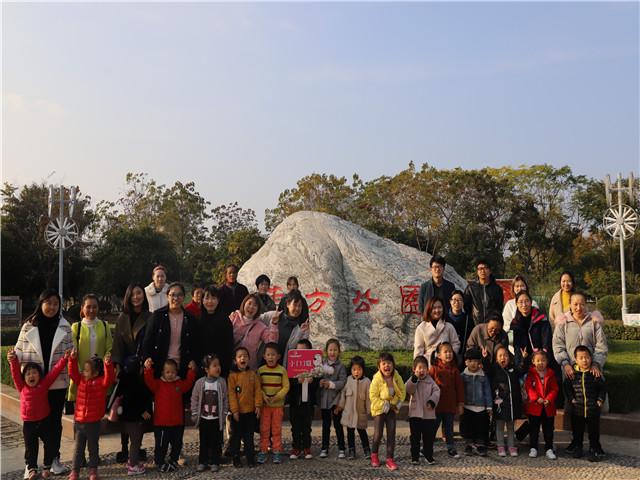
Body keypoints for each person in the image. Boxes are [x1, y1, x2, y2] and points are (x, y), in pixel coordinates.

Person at [14, 289, 74, 476]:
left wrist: (72, 356)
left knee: (54, 424)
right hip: (34, 384)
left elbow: (71, 351)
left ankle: (53, 459)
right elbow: (18, 351)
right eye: (48, 303)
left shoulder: (65, 327)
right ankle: (30, 464)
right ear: (41, 304)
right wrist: (13, 359)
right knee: (30, 428)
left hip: (56, 384)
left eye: (56, 304)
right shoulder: (28, 327)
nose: (52, 307)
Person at [8, 347, 70, 480]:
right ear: (24, 378)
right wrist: (13, 361)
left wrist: (64, 359)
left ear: (40, 375)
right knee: (31, 448)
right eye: (28, 374)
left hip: (44, 421)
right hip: (29, 424)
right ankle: (31, 469)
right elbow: (15, 374)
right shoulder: (21, 387)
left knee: (50, 444)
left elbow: (54, 372)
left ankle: (47, 467)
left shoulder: (44, 384)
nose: (31, 376)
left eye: (34, 373)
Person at [111, 283, 152, 467]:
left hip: (142, 369)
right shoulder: (122, 318)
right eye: (133, 294)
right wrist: (117, 366)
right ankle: (124, 447)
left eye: (139, 293)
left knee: (141, 407)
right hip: (127, 371)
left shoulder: (150, 317)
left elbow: (151, 342)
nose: (136, 297)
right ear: (128, 296)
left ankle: (138, 446)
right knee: (126, 408)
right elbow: (118, 344)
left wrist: (147, 363)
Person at [68, 351, 116, 480]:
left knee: (93, 448)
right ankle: (74, 471)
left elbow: (110, 378)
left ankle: (93, 471)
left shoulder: (101, 383)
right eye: (84, 370)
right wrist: (72, 359)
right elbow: (72, 373)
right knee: (78, 449)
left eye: (87, 371)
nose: (84, 372)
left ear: (95, 373)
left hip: (93, 423)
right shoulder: (81, 380)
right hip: (79, 422)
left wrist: (108, 364)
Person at [143, 357, 197, 472]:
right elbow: (149, 381)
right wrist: (148, 369)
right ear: (163, 372)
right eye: (167, 372)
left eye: (173, 372)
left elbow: (188, 383)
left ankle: (174, 459)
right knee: (161, 445)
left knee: (177, 444)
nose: (170, 374)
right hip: (161, 423)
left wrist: (191, 371)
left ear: (176, 372)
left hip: (177, 422)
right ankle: (159, 461)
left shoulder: (179, 383)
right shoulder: (158, 384)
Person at [142, 282, 198, 380]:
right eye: (172, 295)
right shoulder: (157, 316)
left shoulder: (190, 319)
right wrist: (147, 358)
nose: (176, 298)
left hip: (182, 367)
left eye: (179, 295)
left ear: (184, 297)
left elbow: (196, 343)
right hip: (161, 366)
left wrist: (193, 360)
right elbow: (148, 340)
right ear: (167, 296)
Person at [563, 346, 607, 462]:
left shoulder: (594, 373)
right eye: (581, 358)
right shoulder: (572, 374)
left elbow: (602, 388)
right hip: (577, 408)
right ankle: (578, 447)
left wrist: (600, 400)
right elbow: (567, 388)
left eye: (587, 357)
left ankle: (594, 448)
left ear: (591, 358)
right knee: (577, 430)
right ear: (576, 360)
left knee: (594, 431)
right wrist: (571, 399)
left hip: (593, 408)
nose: (584, 360)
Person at [68, 294, 113, 407]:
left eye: (94, 307)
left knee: (98, 412)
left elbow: (109, 347)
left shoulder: (104, 325)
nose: (91, 310)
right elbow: (73, 352)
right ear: (82, 308)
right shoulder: (76, 327)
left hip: (100, 377)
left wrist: (105, 363)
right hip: (82, 378)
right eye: (88, 307)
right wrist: (81, 372)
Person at [553, 292, 608, 383]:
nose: (578, 308)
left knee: (594, 394)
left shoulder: (593, 322)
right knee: (572, 395)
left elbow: (601, 346)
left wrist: (596, 364)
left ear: (585, 305)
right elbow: (558, 346)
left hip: (592, 370)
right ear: (570, 305)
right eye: (575, 304)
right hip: (570, 370)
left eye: (582, 304)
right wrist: (565, 364)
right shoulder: (563, 323)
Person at [191, 354, 228, 472]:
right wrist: (195, 413)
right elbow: (195, 398)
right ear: (207, 369)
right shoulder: (200, 383)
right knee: (204, 441)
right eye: (214, 366)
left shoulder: (222, 382)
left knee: (216, 441)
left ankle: (215, 461)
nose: (218, 368)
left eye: (219, 365)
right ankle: (203, 461)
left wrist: (225, 412)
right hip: (204, 418)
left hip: (217, 418)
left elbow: (225, 399)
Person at [369, 352, 406, 471]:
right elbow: (373, 396)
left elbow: (402, 391)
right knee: (378, 434)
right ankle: (374, 455)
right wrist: (385, 404)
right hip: (379, 410)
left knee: (391, 434)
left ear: (393, 365)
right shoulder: (376, 379)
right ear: (379, 366)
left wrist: (396, 405)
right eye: (384, 363)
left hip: (392, 409)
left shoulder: (397, 377)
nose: (387, 366)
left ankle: (390, 459)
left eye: (389, 363)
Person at [227, 346, 262, 468]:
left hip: (250, 412)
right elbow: (231, 394)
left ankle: (250, 458)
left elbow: (258, 390)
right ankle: (236, 457)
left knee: (249, 437)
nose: (243, 358)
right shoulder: (232, 377)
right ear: (235, 360)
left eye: (245, 356)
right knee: (236, 437)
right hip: (237, 413)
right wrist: (234, 410)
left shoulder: (253, 375)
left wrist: (258, 405)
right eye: (240, 356)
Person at [429, 342, 464, 458]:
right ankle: (427, 447)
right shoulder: (433, 369)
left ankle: (451, 448)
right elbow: (427, 385)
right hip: (436, 406)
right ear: (438, 355)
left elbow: (459, 388)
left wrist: (460, 404)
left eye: (450, 351)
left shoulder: (455, 370)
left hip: (450, 406)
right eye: (445, 352)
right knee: (432, 428)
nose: (448, 354)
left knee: (449, 429)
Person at [257, 343, 290, 465]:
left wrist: (277, 397)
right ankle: (263, 450)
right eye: (268, 354)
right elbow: (258, 387)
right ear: (264, 356)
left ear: (278, 356)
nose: (271, 357)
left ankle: (276, 450)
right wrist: (263, 396)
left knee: (276, 429)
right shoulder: (261, 371)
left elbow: (286, 386)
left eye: (273, 355)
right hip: (265, 406)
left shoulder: (282, 370)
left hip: (277, 406)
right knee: (264, 429)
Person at [229, 294, 280, 371]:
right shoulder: (234, 318)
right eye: (249, 303)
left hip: (249, 368)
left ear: (258, 309)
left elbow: (272, 342)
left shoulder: (260, 326)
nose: (251, 307)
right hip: (231, 366)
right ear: (244, 304)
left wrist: (274, 324)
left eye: (255, 305)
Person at [491, 346, 526, 457]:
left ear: (509, 357)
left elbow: (522, 370)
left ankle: (511, 446)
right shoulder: (494, 370)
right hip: (500, 404)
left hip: (512, 404)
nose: (503, 358)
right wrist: (484, 358)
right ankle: (500, 446)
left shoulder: (513, 369)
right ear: (496, 359)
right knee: (500, 426)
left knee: (511, 427)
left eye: (505, 355)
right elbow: (487, 369)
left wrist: (524, 359)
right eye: (500, 355)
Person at [405, 355, 440, 465]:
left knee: (428, 438)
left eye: (424, 368)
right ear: (414, 369)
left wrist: (432, 401)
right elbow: (408, 389)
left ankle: (428, 455)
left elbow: (437, 392)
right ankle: (414, 457)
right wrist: (414, 379)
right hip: (415, 414)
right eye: (419, 368)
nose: (422, 370)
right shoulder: (412, 380)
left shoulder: (431, 381)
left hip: (428, 415)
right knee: (415, 437)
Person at [288, 339, 320, 460]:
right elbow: (289, 382)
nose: (301, 353)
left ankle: (306, 447)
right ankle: (296, 447)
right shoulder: (292, 364)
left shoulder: (315, 366)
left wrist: (313, 381)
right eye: (298, 350)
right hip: (295, 401)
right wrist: (297, 381)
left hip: (308, 403)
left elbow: (318, 381)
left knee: (307, 427)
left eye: (304, 350)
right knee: (295, 426)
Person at [524, 351, 559, 460]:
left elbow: (554, 388)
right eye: (538, 360)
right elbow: (528, 387)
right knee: (534, 429)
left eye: (543, 360)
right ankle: (533, 447)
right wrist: (536, 398)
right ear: (533, 362)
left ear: (547, 361)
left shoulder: (551, 374)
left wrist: (549, 399)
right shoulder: (531, 374)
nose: (540, 363)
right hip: (534, 407)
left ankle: (549, 447)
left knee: (548, 429)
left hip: (548, 407)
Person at [336, 355, 371, 460]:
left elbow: (369, 398)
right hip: (349, 413)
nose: (356, 372)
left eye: (359, 369)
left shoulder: (367, 382)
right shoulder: (348, 381)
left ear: (363, 370)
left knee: (362, 431)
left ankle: (367, 449)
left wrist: (370, 410)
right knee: (350, 432)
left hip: (361, 413)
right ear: (351, 370)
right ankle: (352, 450)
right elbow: (343, 396)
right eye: (354, 369)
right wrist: (340, 407)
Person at [460, 347, 492, 456]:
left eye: (475, 361)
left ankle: (480, 445)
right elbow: (459, 390)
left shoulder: (483, 376)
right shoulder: (463, 376)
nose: (473, 364)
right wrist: (459, 403)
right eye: (470, 361)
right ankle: (469, 444)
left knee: (481, 426)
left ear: (479, 363)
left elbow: (487, 391)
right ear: (466, 362)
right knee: (468, 426)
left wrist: (489, 406)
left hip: (481, 407)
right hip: (467, 406)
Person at [318, 338, 347, 459]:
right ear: (326, 351)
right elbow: (316, 375)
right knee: (325, 425)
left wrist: (330, 384)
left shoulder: (341, 366)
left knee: (338, 425)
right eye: (330, 350)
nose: (332, 352)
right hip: (324, 400)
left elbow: (343, 382)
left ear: (339, 351)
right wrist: (320, 382)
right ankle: (324, 447)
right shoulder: (321, 364)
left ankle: (342, 448)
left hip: (335, 400)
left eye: (335, 350)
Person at [264, 290, 310, 365]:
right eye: (295, 305)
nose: (297, 308)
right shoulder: (275, 315)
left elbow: (296, 349)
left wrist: (300, 332)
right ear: (288, 304)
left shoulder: (302, 327)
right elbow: (256, 318)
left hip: (285, 365)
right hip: (266, 363)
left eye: (300, 306)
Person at [198, 285, 234, 378]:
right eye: (207, 298)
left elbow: (229, 345)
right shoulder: (198, 320)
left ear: (218, 300)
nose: (210, 301)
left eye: (213, 298)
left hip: (221, 366)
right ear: (202, 300)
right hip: (202, 367)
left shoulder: (225, 320)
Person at [413, 297, 460, 367]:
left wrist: (448, 355)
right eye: (434, 308)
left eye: (439, 307)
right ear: (429, 309)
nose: (437, 310)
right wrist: (418, 366)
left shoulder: (449, 326)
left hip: (446, 365)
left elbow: (456, 343)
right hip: (428, 364)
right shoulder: (421, 328)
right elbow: (418, 350)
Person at [510, 291, 552, 368]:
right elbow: (517, 346)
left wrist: (543, 356)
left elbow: (547, 341)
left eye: (526, 301)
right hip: (525, 360)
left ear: (531, 302)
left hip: (541, 360)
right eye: (521, 302)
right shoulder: (515, 323)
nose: (524, 305)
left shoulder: (541, 318)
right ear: (516, 304)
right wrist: (519, 363)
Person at [464, 259, 504, 325]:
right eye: (480, 269)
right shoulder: (471, 288)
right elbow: (466, 307)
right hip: (475, 325)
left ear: (490, 271)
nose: (483, 271)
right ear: (477, 272)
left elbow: (499, 308)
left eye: (485, 268)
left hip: (492, 325)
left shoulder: (497, 289)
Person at [446, 290, 474, 363]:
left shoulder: (468, 319)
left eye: (460, 300)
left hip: (463, 354)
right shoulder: (445, 318)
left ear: (463, 302)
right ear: (450, 301)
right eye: (454, 300)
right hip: (446, 354)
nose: (457, 303)